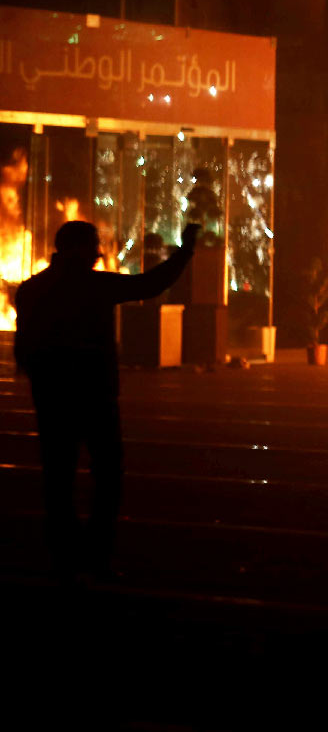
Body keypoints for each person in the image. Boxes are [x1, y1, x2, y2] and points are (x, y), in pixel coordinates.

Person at [14, 220, 200, 581]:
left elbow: (24, 348)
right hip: (95, 396)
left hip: (52, 400)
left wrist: (41, 378)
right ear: (83, 248)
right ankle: (97, 556)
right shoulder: (94, 285)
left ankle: (64, 557)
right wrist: (185, 250)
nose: (99, 252)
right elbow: (150, 284)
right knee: (108, 478)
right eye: (95, 245)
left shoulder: (32, 288)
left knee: (58, 479)